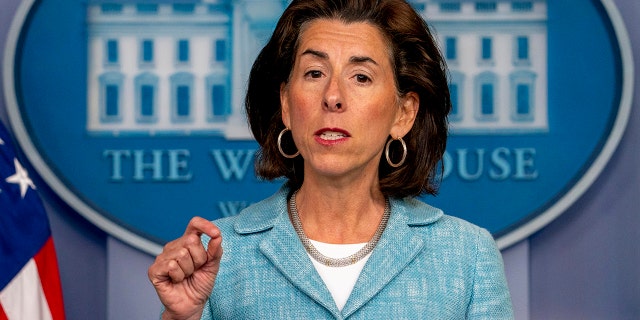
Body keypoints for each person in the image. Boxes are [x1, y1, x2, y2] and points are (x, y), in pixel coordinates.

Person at [148, 0, 514, 318]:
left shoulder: (468, 257)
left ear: (403, 114)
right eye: (314, 73)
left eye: (360, 76)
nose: (333, 97)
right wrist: (182, 319)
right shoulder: (218, 255)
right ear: (288, 104)